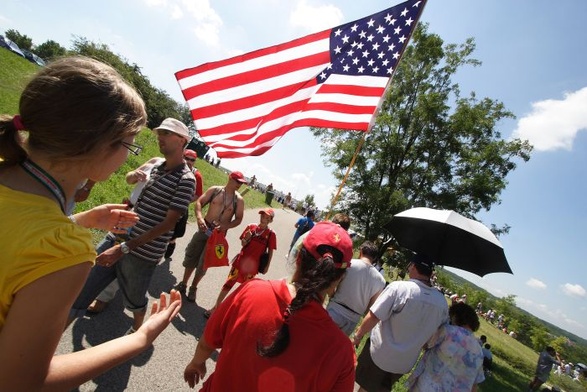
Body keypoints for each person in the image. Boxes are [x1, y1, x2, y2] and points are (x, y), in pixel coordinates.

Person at [0, 56, 181, 390]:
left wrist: (79, 219)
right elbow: (20, 382)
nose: (129, 154)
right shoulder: (63, 251)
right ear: (100, 145)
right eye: (128, 143)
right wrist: (139, 340)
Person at [183, 221, 356, 391]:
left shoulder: (251, 291)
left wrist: (196, 363)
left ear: (298, 258)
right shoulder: (342, 353)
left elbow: (207, 342)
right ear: (339, 278)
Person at [69, 117, 196, 333]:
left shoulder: (186, 179)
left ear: (183, 140)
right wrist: (120, 242)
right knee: (83, 288)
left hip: (143, 253)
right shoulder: (157, 167)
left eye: (166, 133)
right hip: (118, 236)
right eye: (159, 133)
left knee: (134, 298)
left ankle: (138, 328)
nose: (160, 137)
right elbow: (133, 186)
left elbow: (168, 224)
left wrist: (125, 248)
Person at [352, 254, 449, 392]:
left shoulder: (399, 288)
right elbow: (435, 336)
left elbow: (374, 316)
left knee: (365, 388)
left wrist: (358, 336)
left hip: (380, 354)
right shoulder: (442, 303)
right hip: (404, 364)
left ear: (413, 266)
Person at [174, 171, 246, 302]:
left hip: (218, 235)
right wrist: (200, 218)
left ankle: (193, 288)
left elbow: (239, 219)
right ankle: (183, 283)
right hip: (204, 228)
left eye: (242, 183)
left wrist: (226, 226)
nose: (239, 185)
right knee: (192, 255)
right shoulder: (215, 190)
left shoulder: (239, 200)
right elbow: (199, 203)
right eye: (238, 181)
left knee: (204, 263)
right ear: (230, 178)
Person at [205, 208, 277, 318]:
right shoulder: (251, 227)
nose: (264, 219)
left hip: (252, 268)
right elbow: (243, 244)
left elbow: (271, 251)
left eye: (267, 218)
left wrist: (267, 266)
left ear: (271, 220)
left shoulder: (271, 234)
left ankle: (233, 316)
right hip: (239, 262)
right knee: (227, 284)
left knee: (245, 292)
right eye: (263, 216)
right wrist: (246, 239)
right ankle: (215, 308)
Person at [406, 302, 485, 391]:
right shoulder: (479, 351)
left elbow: (426, 345)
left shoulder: (448, 331)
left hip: (428, 386)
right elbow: (475, 383)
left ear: (455, 316)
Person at [326, 240, 386, 335]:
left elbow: (331, 285)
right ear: (374, 258)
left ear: (361, 251)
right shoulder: (381, 280)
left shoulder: (349, 264)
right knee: (334, 348)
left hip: (336, 309)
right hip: (353, 319)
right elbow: (371, 308)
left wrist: (332, 295)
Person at [165, 148, 203, 260]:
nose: (189, 162)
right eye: (187, 158)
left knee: (175, 231)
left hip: (181, 206)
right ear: (182, 157)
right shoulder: (174, 167)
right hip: (166, 202)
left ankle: (171, 243)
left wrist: (182, 200)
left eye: (192, 160)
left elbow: (198, 194)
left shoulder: (197, 175)